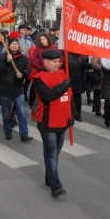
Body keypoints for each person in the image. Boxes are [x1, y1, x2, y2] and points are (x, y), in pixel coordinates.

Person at [33, 49, 74, 197]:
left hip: (63, 120)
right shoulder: (39, 78)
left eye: (59, 61)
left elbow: (69, 97)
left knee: (55, 152)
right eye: (55, 62)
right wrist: (65, 84)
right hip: (48, 122)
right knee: (52, 154)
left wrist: (72, 115)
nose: (58, 64)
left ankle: (49, 177)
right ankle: (55, 185)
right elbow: (49, 96)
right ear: (45, 62)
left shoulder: (63, 73)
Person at [0, 36, 32, 141]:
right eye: (12, 44)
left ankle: (24, 134)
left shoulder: (23, 57)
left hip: (18, 89)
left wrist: (23, 74)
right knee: (6, 113)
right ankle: (8, 131)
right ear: (8, 45)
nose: (15, 45)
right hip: (5, 89)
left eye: (16, 44)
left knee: (21, 112)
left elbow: (28, 69)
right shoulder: (2, 57)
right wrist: (7, 61)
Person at [67, 52, 90, 122]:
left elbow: (83, 66)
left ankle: (77, 114)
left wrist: (91, 65)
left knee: (77, 99)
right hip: (69, 80)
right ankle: (71, 114)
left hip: (78, 80)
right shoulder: (66, 55)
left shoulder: (79, 56)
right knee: (70, 99)